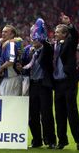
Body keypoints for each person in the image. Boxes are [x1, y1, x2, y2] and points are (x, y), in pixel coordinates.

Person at [23, 18, 56, 149]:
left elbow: (47, 45)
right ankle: (37, 140)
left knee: (46, 114)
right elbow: (23, 64)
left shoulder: (47, 49)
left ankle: (51, 140)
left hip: (44, 86)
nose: (34, 40)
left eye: (36, 38)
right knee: (32, 115)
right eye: (33, 37)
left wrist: (41, 30)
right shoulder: (28, 50)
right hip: (32, 85)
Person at [53, 13, 79, 150]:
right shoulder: (54, 46)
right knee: (59, 114)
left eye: (58, 32)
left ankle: (78, 140)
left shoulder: (70, 43)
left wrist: (69, 24)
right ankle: (62, 141)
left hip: (68, 82)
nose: (55, 34)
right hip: (57, 84)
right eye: (55, 32)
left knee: (71, 112)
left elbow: (75, 35)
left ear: (65, 34)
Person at [0, 25, 22, 96]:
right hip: (8, 78)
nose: (3, 33)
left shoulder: (11, 44)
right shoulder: (6, 43)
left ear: (12, 35)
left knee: (9, 103)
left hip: (12, 78)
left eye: (5, 32)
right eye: (2, 32)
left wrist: (1, 68)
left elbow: (11, 61)